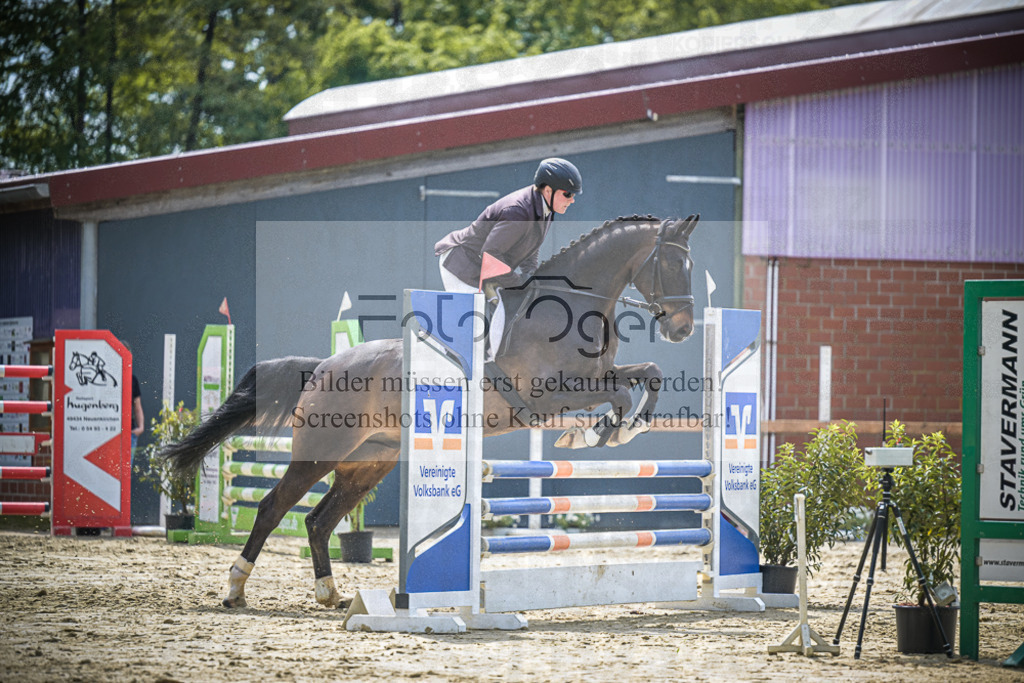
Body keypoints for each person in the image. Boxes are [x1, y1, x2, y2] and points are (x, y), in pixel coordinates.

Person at [434, 157, 582, 360]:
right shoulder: (519, 211)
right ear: (548, 191)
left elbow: (531, 249)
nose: (572, 199)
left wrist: (531, 275)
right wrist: (518, 282)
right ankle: (446, 364)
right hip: (462, 264)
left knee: (508, 314)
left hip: (484, 267)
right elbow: (491, 254)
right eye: (568, 194)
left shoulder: (545, 209)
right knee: (475, 325)